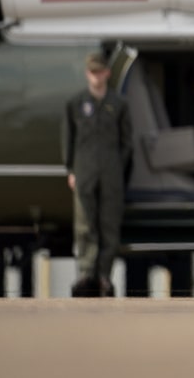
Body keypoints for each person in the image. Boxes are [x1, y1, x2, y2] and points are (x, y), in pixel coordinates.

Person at [62, 51, 133, 297]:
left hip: (111, 172)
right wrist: (71, 169)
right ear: (87, 74)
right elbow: (68, 140)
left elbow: (127, 142)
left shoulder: (118, 104)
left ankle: (104, 275)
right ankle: (85, 272)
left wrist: (118, 166)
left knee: (108, 225)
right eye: (92, 72)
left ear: (107, 73)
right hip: (84, 171)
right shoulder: (76, 104)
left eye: (100, 71)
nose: (96, 76)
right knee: (84, 224)